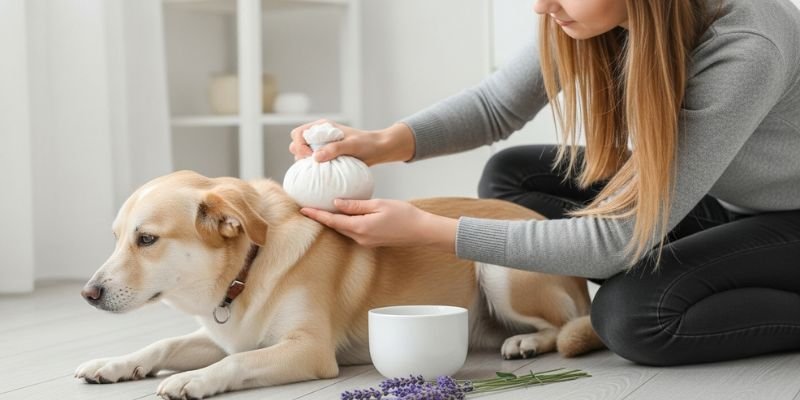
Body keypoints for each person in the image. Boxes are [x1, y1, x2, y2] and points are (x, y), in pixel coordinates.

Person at [288, 0, 800, 366]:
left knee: (632, 319)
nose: (540, 7)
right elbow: (495, 106)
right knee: (513, 175)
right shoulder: (599, 16)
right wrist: (379, 143)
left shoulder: (745, 46)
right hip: (720, 197)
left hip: (788, 220)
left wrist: (429, 230)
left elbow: (614, 242)